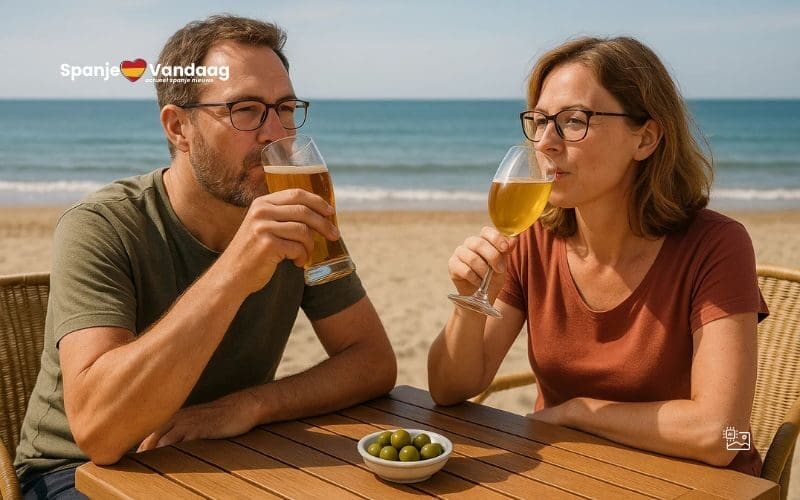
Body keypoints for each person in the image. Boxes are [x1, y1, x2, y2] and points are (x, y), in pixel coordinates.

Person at [15, 15, 396, 498]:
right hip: (77, 473)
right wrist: (235, 273)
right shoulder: (102, 225)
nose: (275, 133)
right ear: (179, 127)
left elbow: (372, 360)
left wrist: (249, 405)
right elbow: (100, 432)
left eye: (284, 108)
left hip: (224, 457)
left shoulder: (291, 215)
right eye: (246, 110)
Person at [428, 36, 767, 476]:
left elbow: (725, 436)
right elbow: (448, 389)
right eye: (539, 121)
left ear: (644, 138)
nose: (546, 142)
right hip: (572, 476)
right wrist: (468, 305)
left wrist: (578, 413)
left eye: (573, 121)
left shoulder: (717, 245)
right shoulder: (534, 237)